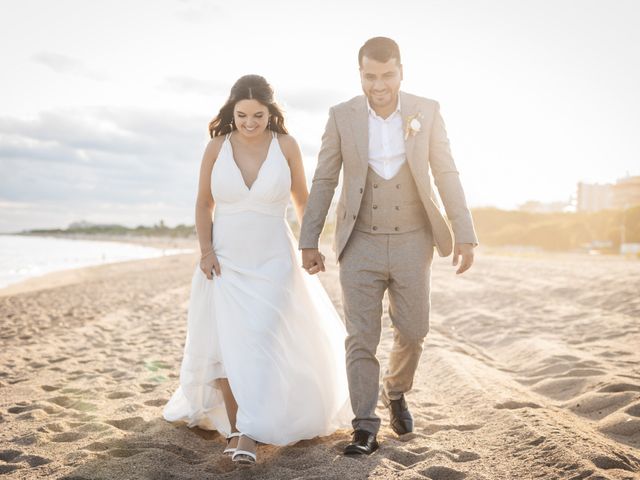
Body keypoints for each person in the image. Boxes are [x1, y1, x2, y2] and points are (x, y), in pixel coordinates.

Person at [299, 37, 478, 455]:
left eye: (387, 75)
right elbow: (325, 179)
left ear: (401, 72)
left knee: (414, 332)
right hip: (358, 241)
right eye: (370, 76)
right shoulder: (341, 116)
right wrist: (309, 239)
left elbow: (446, 172)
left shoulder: (427, 111)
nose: (379, 85)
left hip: (413, 240)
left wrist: (464, 232)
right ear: (360, 74)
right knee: (361, 336)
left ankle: (395, 391)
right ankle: (365, 425)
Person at [163, 74, 352, 465]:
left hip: (274, 259)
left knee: (261, 340)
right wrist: (205, 251)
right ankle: (240, 430)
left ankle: (253, 425)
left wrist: (310, 245)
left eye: (258, 115)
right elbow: (203, 205)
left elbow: (304, 201)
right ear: (232, 112)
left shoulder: (286, 146)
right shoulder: (216, 147)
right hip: (225, 259)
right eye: (243, 114)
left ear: (271, 112)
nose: (250, 122)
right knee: (227, 344)